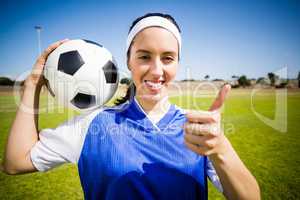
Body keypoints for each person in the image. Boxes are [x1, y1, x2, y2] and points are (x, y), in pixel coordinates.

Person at [2, 13, 260, 200]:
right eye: (145, 56)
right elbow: (16, 162)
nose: (157, 70)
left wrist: (221, 148)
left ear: (178, 63)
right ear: (128, 61)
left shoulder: (197, 129)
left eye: (168, 58)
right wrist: (33, 83)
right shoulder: (92, 124)